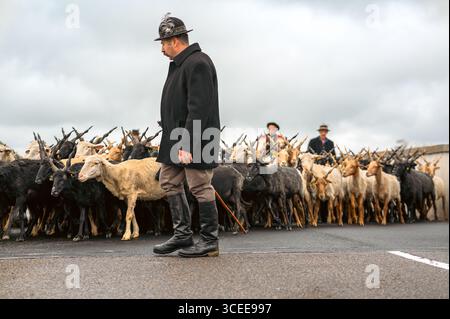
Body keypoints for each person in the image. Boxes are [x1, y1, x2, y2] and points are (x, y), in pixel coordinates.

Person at [152, 14, 221, 258]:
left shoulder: (197, 62)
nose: (161, 48)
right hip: (177, 135)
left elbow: (199, 108)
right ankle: (182, 235)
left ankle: (209, 241)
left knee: (199, 185)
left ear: (174, 40)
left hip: (197, 136)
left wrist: (187, 143)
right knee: (168, 180)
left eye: (163, 42)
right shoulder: (180, 65)